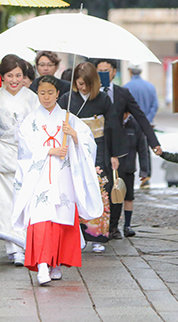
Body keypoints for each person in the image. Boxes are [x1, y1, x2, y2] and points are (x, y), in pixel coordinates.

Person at [13, 75, 103, 285]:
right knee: (41, 220)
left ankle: (56, 263)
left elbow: (89, 142)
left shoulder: (69, 118)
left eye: (50, 93)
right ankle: (42, 265)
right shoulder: (31, 120)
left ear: (58, 94)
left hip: (63, 177)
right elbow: (25, 148)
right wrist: (50, 149)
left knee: (60, 220)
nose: (46, 97)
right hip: (40, 177)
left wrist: (74, 136)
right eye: (42, 93)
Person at [58, 62, 126, 253]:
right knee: (73, 189)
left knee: (99, 189)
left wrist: (114, 154)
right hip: (73, 148)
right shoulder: (67, 99)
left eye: (87, 84)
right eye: (80, 83)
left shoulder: (103, 99)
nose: (83, 88)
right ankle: (76, 235)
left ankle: (97, 235)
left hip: (99, 147)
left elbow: (112, 126)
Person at [0, 54, 39, 266]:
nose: (14, 80)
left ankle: (27, 243)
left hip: (27, 155)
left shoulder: (32, 98)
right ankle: (14, 248)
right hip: (1, 156)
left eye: (18, 75)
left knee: (25, 203)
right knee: (5, 203)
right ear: (2, 77)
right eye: (10, 76)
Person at [94, 58, 162, 239]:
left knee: (118, 187)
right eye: (99, 70)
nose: (102, 74)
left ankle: (113, 226)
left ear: (113, 72)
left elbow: (140, 116)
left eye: (106, 70)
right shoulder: (91, 93)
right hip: (97, 146)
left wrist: (154, 142)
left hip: (119, 147)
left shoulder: (123, 93)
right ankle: (98, 226)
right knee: (101, 187)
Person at [124, 64, 159, 189]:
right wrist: (146, 120)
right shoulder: (150, 86)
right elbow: (155, 105)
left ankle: (129, 177)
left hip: (130, 124)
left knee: (131, 150)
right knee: (145, 151)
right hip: (146, 124)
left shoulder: (126, 87)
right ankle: (146, 177)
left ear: (130, 72)